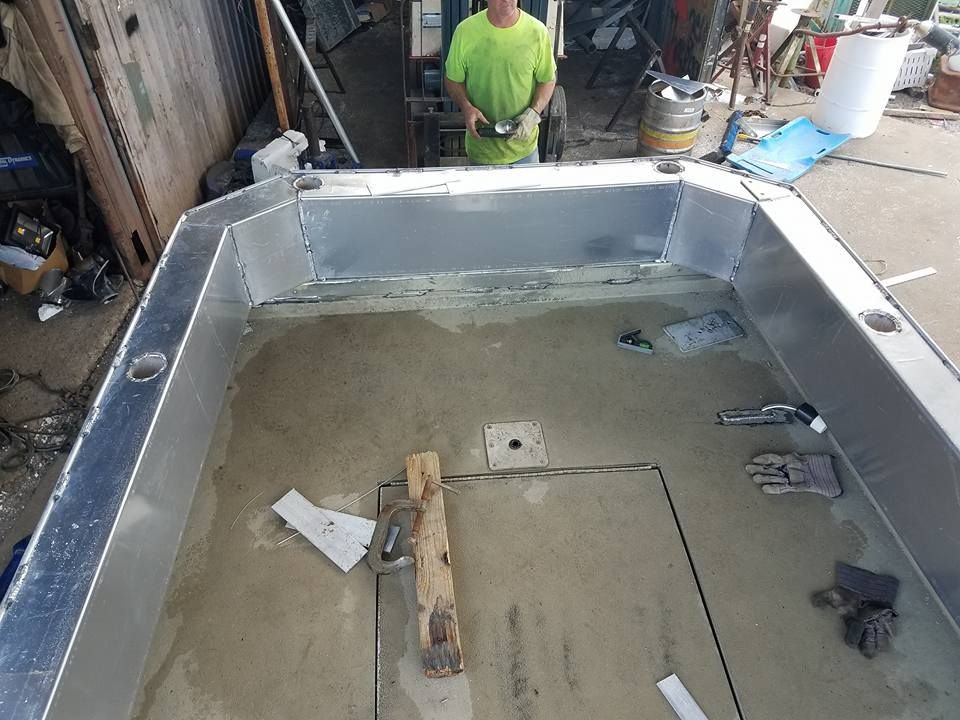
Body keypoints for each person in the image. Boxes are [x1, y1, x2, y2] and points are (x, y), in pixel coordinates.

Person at [444, 0, 556, 165]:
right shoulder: (465, 31)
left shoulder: (537, 32)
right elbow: (453, 79)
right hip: (482, 149)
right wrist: (466, 107)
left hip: (524, 151)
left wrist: (533, 112)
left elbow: (547, 79)